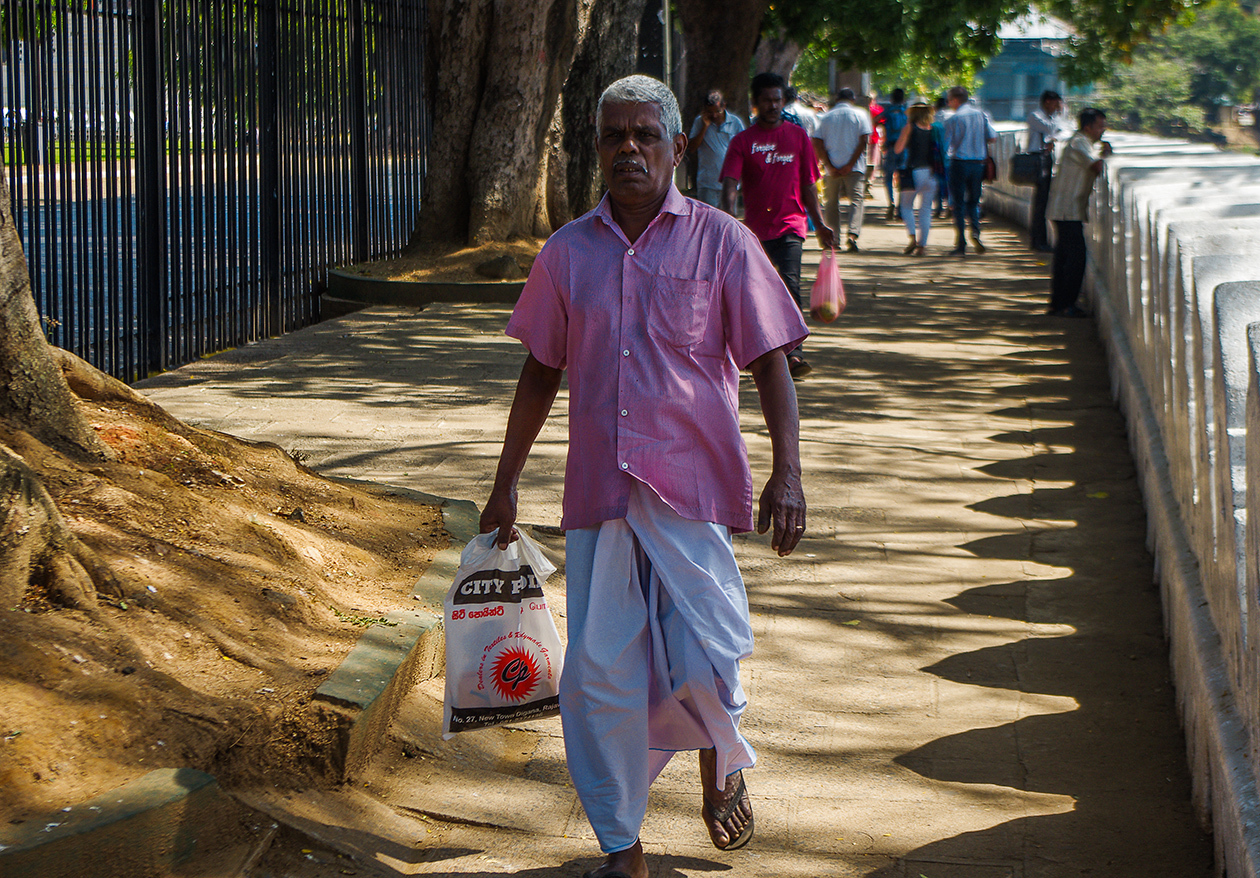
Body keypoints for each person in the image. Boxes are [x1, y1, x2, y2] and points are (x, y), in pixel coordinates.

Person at [480, 73, 808, 878]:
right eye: (613, 136)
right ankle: (622, 846)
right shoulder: (566, 253)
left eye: (645, 136)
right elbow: (538, 372)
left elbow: (772, 364)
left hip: (693, 491)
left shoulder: (723, 242)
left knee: (707, 657)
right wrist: (505, 481)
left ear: (677, 147)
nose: (629, 149)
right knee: (600, 677)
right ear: (595, 148)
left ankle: (718, 761)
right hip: (601, 496)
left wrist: (788, 475)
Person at [721, 71, 836, 379]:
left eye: (777, 99)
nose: (773, 105)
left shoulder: (798, 137)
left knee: (789, 283)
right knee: (754, 292)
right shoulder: (742, 141)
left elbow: (809, 185)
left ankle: (793, 353)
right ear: (755, 103)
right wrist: (728, 216)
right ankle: (759, 351)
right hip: (755, 231)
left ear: (784, 100)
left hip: (791, 224)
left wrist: (821, 224)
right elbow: (730, 183)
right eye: (766, 100)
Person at [1045, 107, 1112, 317]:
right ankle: (1066, 304)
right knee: (1075, 258)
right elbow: (1095, 166)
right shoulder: (1078, 142)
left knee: (1064, 257)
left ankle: (1059, 303)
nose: (1103, 130)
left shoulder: (1082, 142)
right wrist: (1107, 155)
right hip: (1067, 209)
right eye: (1100, 126)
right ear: (1088, 126)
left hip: (1065, 208)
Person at [812, 87, 872, 253]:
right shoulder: (860, 114)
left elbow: (818, 141)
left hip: (832, 168)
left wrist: (829, 165)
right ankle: (853, 235)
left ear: (837, 99)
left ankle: (833, 239)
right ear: (852, 99)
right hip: (855, 167)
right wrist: (850, 164)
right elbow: (863, 140)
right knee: (856, 201)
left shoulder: (827, 117)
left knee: (831, 203)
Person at [943, 85, 997, 256]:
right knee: (974, 201)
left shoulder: (953, 119)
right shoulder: (982, 115)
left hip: (959, 163)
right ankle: (975, 232)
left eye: (949, 99)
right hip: (978, 164)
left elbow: (946, 145)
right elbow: (993, 137)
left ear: (955, 100)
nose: (948, 103)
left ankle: (960, 243)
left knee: (958, 204)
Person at [893, 103, 938, 256]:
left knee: (906, 206)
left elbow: (898, 149)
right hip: (932, 173)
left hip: (914, 171)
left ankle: (912, 236)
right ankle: (922, 246)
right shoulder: (933, 129)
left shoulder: (910, 127)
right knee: (926, 209)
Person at [688, 90, 746, 208]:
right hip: (707, 184)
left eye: (717, 111)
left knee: (728, 220)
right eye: (710, 112)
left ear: (724, 106)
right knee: (708, 222)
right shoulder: (699, 122)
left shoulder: (735, 123)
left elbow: (744, 151)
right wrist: (705, 127)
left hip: (729, 185)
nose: (714, 115)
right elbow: (692, 148)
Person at [1026, 90, 1066, 251]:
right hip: (1038, 159)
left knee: (1044, 203)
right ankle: (1038, 241)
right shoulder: (1035, 116)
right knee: (1040, 203)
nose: (1058, 108)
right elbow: (1052, 130)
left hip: (1046, 158)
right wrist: (1060, 117)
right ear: (1048, 102)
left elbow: (1060, 131)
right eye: (1056, 104)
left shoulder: (1049, 118)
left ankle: (1041, 240)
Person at [879, 88, 908, 220]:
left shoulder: (888, 111)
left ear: (891, 98)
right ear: (903, 98)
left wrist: (884, 128)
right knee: (903, 177)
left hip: (890, 147)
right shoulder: (906, 112)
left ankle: (890, 202)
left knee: (888, 176)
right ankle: (901, 207)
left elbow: (875, 120)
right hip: (904, 147)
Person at [931, 95, 951, 219]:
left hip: (936, 155)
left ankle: (938, 207)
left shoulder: (933, 119)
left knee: (937, 181)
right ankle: (950, 206)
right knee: (949, 182)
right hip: (950, 155)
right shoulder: (952, 117)